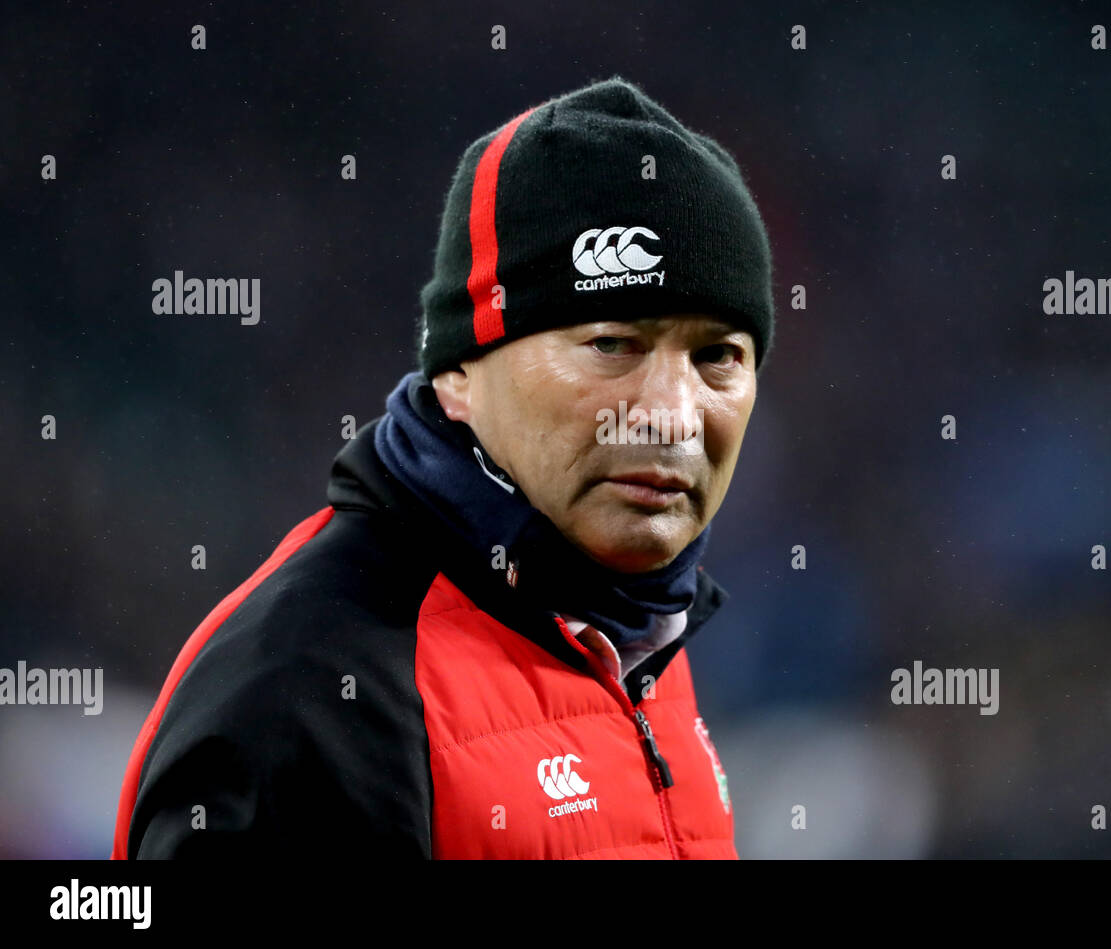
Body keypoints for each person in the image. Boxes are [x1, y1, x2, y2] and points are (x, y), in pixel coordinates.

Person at [111, 74, 774, 859]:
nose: (671, 410)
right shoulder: (312, 699)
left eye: (717, 356)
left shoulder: (638, 636)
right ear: (459, 372)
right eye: (611, 344)